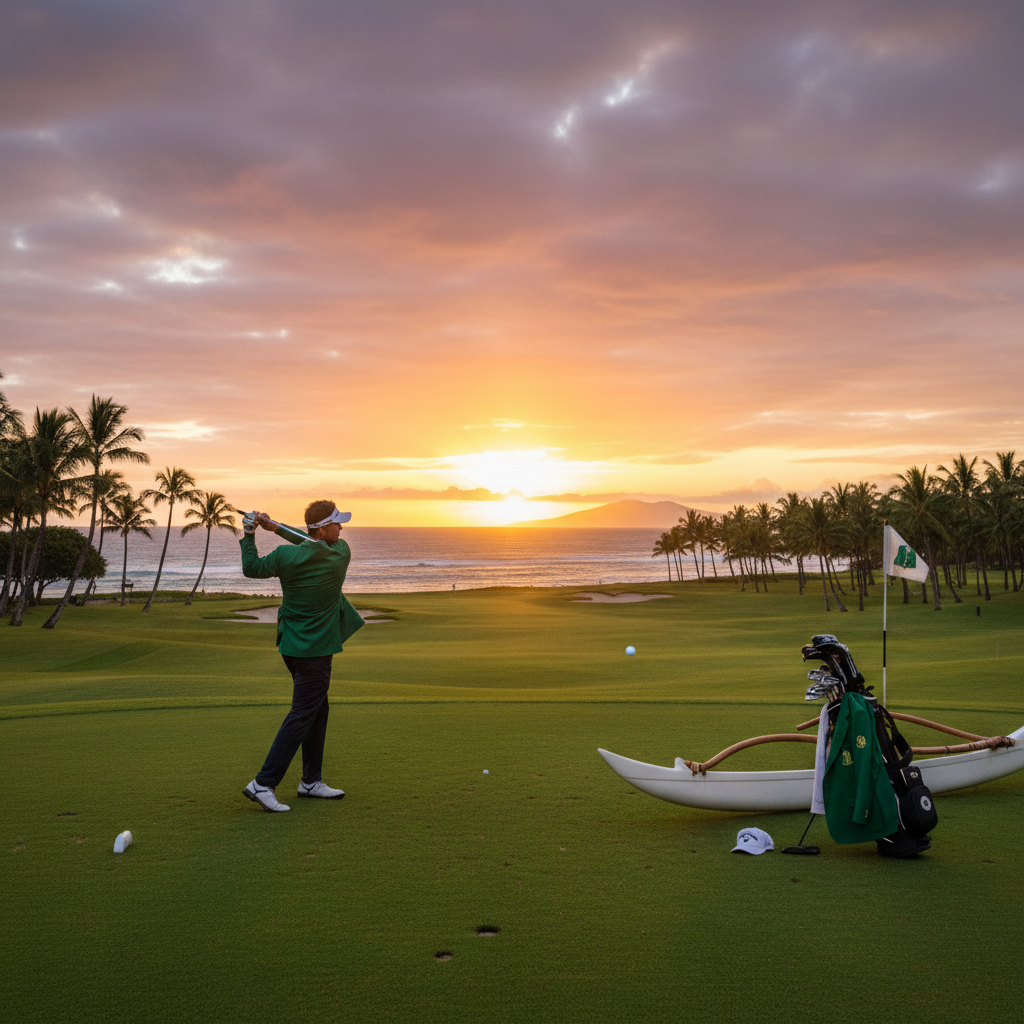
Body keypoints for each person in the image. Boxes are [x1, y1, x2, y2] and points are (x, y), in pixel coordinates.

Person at [239, 500, 364, 812]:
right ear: (322, 529)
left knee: (317, 710)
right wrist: (277, 527)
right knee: (301, 714)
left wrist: (252, 534)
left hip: (292, 647)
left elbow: (251, 568)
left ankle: (310, 781)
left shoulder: (285, 557)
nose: (342, 527)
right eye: (336, 522)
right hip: (317, 651)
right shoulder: (340, 553)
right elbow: (310, 542)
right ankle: (263, 783)